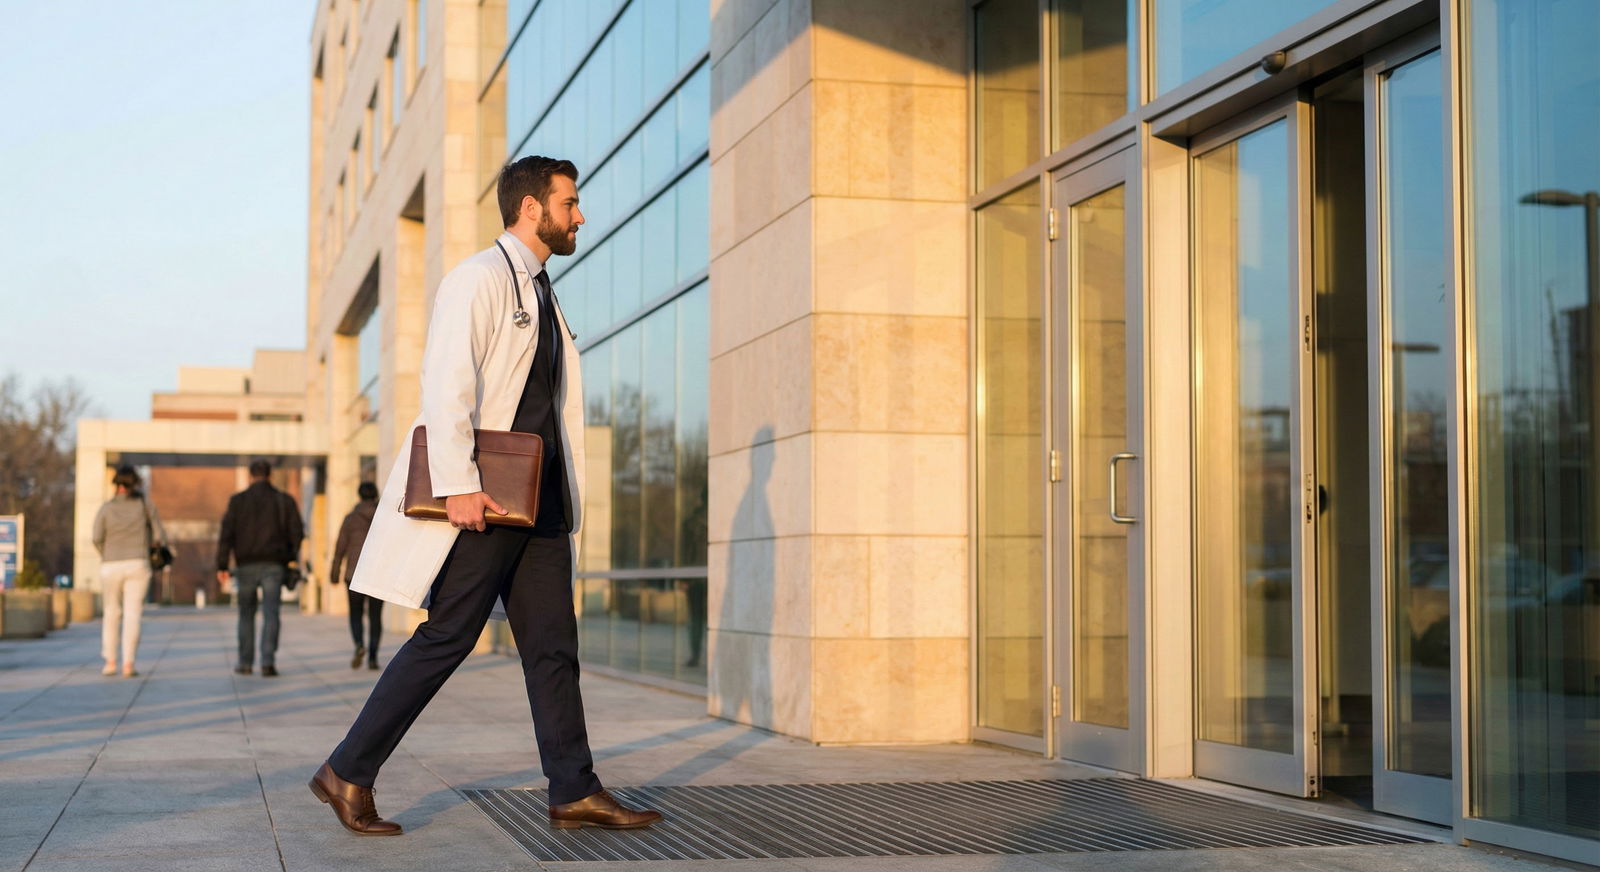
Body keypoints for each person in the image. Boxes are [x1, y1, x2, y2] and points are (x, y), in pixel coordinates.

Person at [309, 156, 660, 837]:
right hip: (490, 500)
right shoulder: (478, 279)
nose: (579, 216)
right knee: (448, 636)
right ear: (532, 208)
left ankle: (574, 790)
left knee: (553, 647)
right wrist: (459, 486)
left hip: (541, 505)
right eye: (570, 203)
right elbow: (447, 384)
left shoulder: (541, 291)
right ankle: (347, 770)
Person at [216, 460, 303, 678]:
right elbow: (297, 532)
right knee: (271, 613)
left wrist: (222, 564)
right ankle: (267, 662)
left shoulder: (237, 501)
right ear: (270, 475)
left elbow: (226, 534)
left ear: (250, 476)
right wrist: (290, 556)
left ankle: (245, 663)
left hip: (245, 565)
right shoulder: (283, 500)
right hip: (274, 564)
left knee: (246, 614)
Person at [91, 465, 167, 677]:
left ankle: (110, 662)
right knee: (133, 614)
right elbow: (159, 536)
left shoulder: (106, 508)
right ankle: (128, 663)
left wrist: (107, 553)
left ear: (116, 485)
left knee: (111, 613)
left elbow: (96, 537)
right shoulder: (145, 506)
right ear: (135, 484)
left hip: (111, 564)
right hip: (138, 563)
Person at [330, 482, 383, 670]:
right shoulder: (383, 517)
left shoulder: (351, 518)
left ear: (359, 495)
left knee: (355, 613)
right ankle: (373, 658)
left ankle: (359, 645)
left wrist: (335, 571)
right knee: (375, 616)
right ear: (375, 495)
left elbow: (340, 546)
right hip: (377, 574)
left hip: (354, 573)